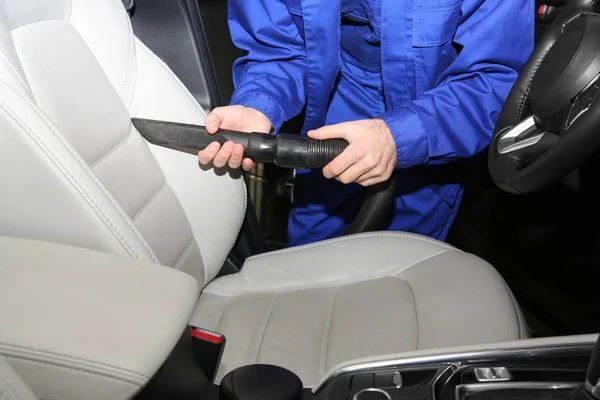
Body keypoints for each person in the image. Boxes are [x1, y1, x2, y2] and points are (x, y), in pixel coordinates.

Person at [198, 0, 534, 246]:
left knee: (402, 264)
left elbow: (493, 80)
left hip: (437, 111)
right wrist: (259, 105)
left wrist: (396, 138)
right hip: (331, 94)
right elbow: (277, 48)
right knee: (309, 254)